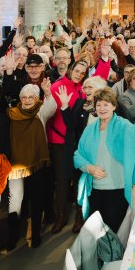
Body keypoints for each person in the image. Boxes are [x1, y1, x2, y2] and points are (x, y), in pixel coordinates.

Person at [74, 87, 135, 233]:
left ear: (114, 107)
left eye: (106, 104)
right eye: (98, 105)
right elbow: (78, 155)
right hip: (95, 190)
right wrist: (89, 168)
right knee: (97, 233)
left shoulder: (123, 125)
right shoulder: (90, 129)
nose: (102, 108)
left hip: (117, 189)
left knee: (114, 232)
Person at [7, 84, 54, 247]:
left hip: (36, 162)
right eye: (24, 97)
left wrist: (47, 93)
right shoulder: (12, 113)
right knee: (15, 199)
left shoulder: (40, 111)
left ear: (36, 99)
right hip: (16, 165)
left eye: (31, 97)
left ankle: (35, 234)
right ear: (20, 99)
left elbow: (52, 107)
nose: (27, 100)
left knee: (36, 198)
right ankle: (12, 236)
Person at [48, 59, 90, 234]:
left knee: (79, 179)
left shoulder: (83, 90)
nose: (79, 74)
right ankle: (61, 216)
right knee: (62, 180)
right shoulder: (57, 86)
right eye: (77, 70)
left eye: (82, 73)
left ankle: (79, 217)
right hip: (60, 141)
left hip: (78, 142)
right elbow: (49, 112)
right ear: (71, 69)